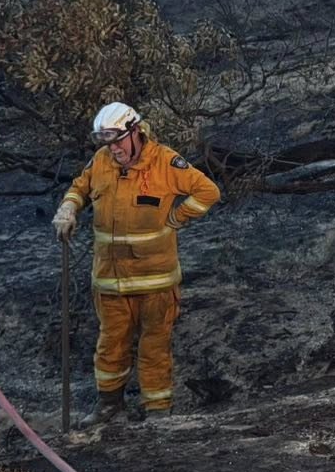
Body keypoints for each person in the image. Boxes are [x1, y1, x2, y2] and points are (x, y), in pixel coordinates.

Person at [53, 102, 220, 426]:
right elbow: (79, 188)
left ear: (135, 132)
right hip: (110, 282)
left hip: (155, 282)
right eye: (107, 142)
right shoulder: (101, 162)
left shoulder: (165, 162)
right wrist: (68, 209)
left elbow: (208, 191)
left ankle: (158, 412)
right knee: (110, 347)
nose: (113, 149)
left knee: (154, 348)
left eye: (117, 140)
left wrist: (178, 217)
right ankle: (110, 407)